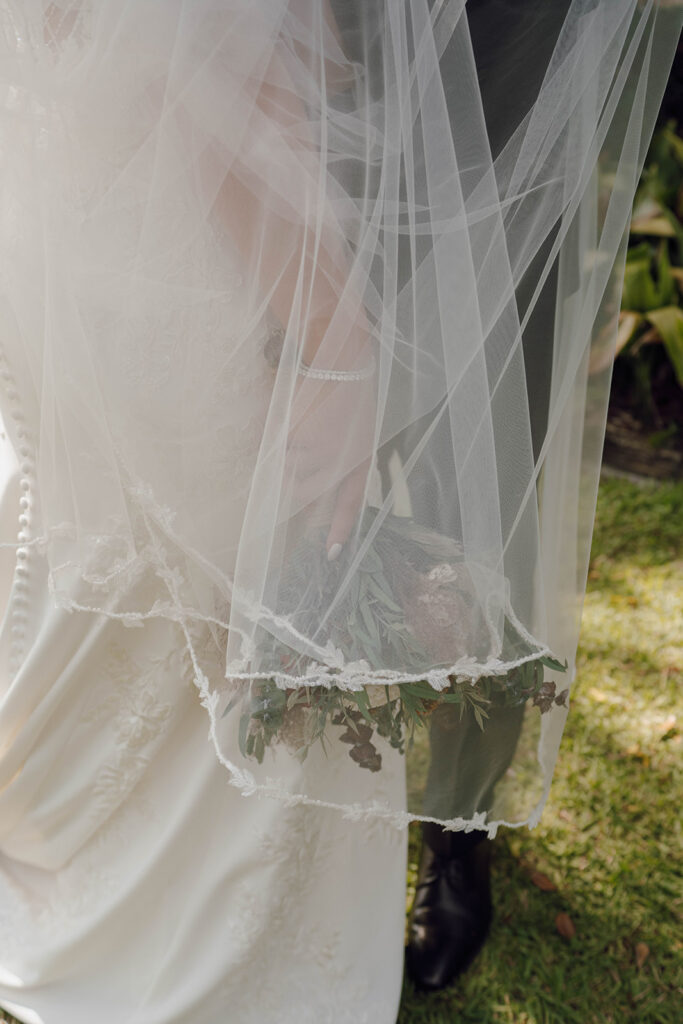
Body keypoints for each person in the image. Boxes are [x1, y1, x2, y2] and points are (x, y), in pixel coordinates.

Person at [0, 3, 680, 1023]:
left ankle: (460, 818)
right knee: (223, 546)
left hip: (476, 119)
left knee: (465, 473)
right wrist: (337, 335)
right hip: (205, 198)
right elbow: (197, 60)